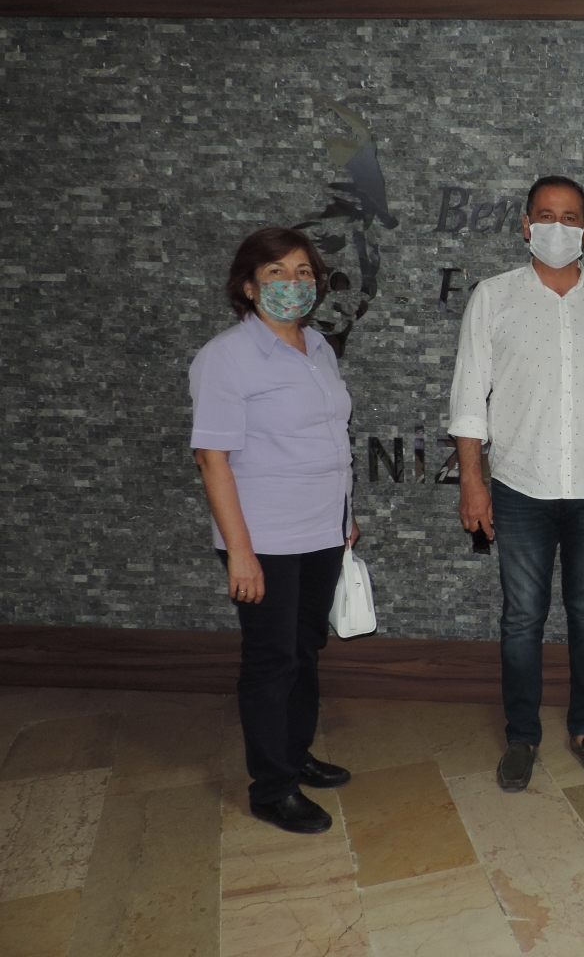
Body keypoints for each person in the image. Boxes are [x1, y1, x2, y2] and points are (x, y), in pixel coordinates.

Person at [449, 175, 584, 793]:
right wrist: (472, 482)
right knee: (521, 619)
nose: (556, 227)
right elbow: (468, 399)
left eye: (569, 218)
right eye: (545, 215)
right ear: (525, 224)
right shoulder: (494, 297)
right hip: (519, 487)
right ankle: (522, 736)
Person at [190, 227, 358, 835]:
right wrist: (240, 551)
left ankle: (295, 752)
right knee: (271, 661)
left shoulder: (318, 348)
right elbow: (212, 459)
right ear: (248, 286)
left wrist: (346, 515)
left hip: (322, 529)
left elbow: (328, 438)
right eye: (277, 273)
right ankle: (272, 787)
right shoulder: (226, 357)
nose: (294, 283)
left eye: (303, 272)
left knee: (305, 650)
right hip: (263, 538)